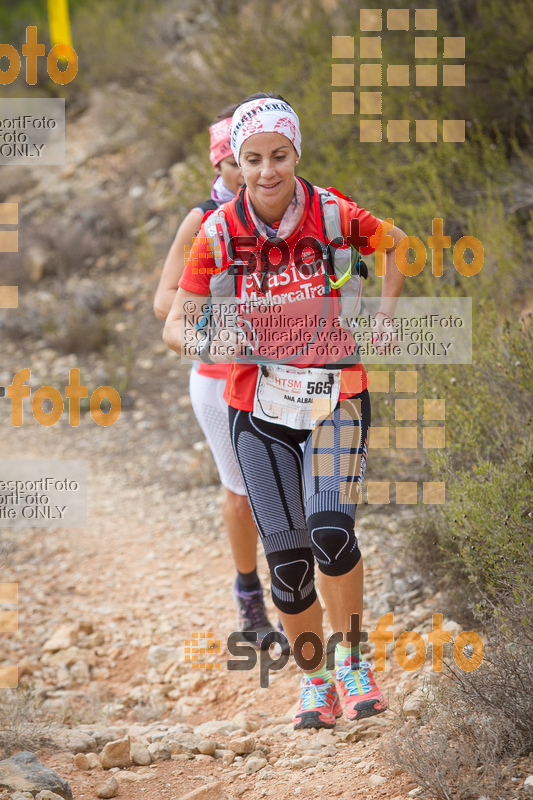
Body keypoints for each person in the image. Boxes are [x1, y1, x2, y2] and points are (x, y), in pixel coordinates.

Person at [163, 93, 407, 729]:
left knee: (332, 532)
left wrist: (383, 319)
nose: (268, 170)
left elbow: (398, 245)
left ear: (296, 152)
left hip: (335, 393)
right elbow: (175, 322)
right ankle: (315, 680)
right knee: (291, 565)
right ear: (234, 167)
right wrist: (212, 340)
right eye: (253, 159)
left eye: (279, 155)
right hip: (258, 406)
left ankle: (353, 659)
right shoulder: (218, 231)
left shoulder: (332, 212)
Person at [153, 104, 276, 645]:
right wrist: (232, 328)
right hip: (218, 376)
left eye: (256, 160)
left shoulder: (292, 211)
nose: (247, 173)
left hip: (283, 371)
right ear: (222, 164)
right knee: (243, 490)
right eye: (235, 162)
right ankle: (250, 599)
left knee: (291, 486)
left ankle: (302, 594)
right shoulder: (203, 219)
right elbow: (164, 305)